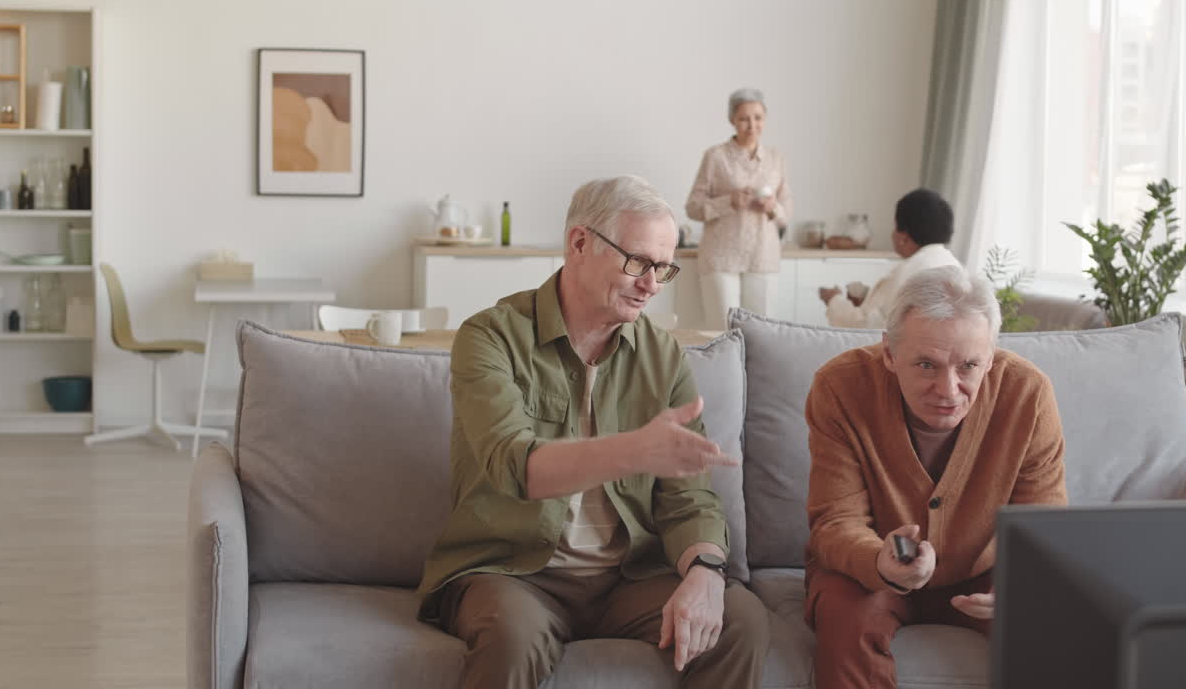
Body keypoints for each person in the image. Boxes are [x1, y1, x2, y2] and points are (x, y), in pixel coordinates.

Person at [417, 175, 770, 689]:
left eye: (662, 268)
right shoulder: (491, 336)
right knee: (512, 639)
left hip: (629, 578)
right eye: (638, 262)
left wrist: (705, 573)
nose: (651, 283)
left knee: (742, 622)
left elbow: (688, 499)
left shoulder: (662, 356)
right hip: (514, 572)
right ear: (579, 243)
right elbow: (517, 466)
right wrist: (633, 451)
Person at [803, 265, 1067, 689]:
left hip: (985, 570)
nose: (948, 389)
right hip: (869, 564)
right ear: (889, 353)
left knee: (1046, 619)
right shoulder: (840, 387)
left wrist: (1021, 582)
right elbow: (835, 522)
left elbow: (1044, 524)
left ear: (991, 356)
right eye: (927, 365)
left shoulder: (1028, 394)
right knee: (844, 616)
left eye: (968, 366)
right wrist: (879, 562)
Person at [687, 87, 790, 329]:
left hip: (763, 256)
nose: (752, 125)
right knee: (721, 333)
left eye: (758, 118)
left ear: (765, 119)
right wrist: (728, 202)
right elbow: (693, 207)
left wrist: (773, 207)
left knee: (762, 333)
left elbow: (786, 212)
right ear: (732, 120)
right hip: (721, 257)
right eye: (744, 118)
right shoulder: (715, 156)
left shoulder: (776, 159)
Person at [819, 188, 961, 329]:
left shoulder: (909, 273)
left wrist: (833, 299)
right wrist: (867, 300)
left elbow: (865, 327)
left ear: (903, 237)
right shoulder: (953, 265)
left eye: (894, 227)